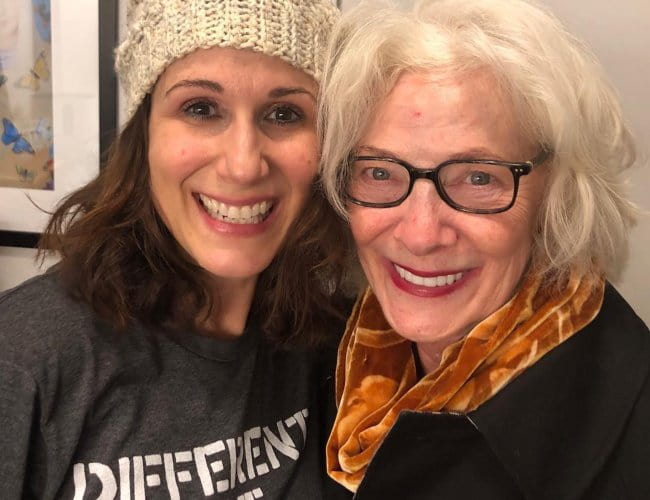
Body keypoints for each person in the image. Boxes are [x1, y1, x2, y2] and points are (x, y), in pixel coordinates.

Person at [0, 0, 349, 498]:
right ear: (144, 136)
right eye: (201, 108)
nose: (244, 165)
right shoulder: (24, 360)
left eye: (284, 113)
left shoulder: (335, 349)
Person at [318, 0, 650, 497]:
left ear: (555, 195)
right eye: (380, 172)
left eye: (478, 177)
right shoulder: (324, 355)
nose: (421, 234)